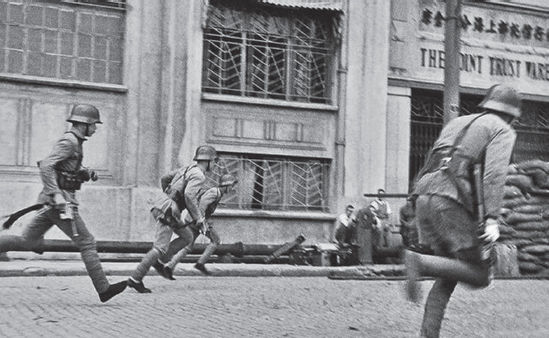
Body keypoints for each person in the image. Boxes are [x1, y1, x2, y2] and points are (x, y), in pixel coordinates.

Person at [404, 84, 521, 337]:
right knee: (479, 274)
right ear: (511, 114)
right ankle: (419, 262)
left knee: (449, 271)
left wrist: (414, 202)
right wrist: (491, 218)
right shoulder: (502, 130)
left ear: (486, 104)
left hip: (425, 195)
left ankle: (428, 335)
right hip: (450, 201)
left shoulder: (457, 123)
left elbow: (432, 160)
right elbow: (493, 174)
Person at [0, 104, 127, 302]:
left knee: (28, 241)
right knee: (87, 242)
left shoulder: (75, 142)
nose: (95, 128)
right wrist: (55, 193)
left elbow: (64, 167)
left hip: (54, 202)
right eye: (94, 124)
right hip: (61, 204)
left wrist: (85, 172)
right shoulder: (69, 141)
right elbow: (47, 166)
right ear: (84, 124)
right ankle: (104, 289)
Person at [127, 145, 217, 293]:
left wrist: (168, 197)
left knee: (187, 236)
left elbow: (165, 178)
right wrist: (198, 218)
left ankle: (160, 262)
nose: (214, 165)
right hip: (168, 210)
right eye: (214, 161)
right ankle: (135, 279)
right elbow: (189, 196)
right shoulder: (199, 175)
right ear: (207, 161)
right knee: (160, 247)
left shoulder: (187, 168)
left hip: (167, 206)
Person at [160, 174, 238, 278]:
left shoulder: (218, 194)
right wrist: (201, 223)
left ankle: (170, 267)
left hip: (194, 219)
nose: (232, 188)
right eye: (232, 185)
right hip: (197, 220)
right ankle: (200, 264)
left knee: (188, 246)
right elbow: (202, 205)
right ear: (226, 185)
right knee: (215, 241)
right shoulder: (214, 192)